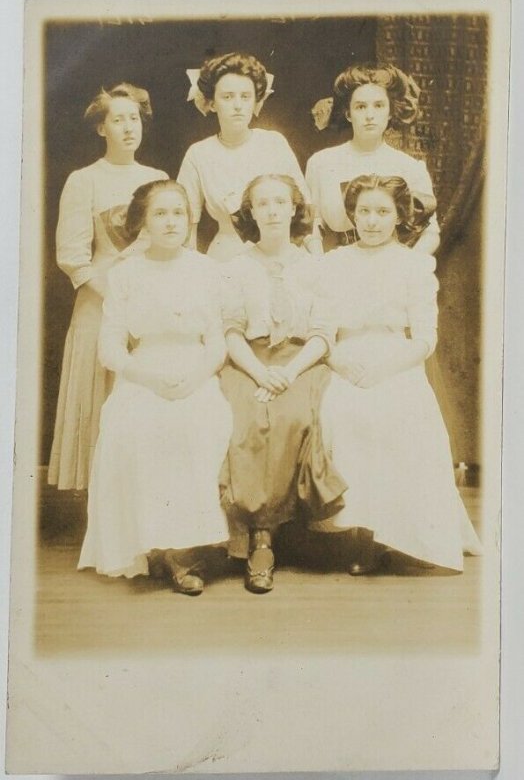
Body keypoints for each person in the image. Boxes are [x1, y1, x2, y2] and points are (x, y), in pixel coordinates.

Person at [315, 174, 482, 573]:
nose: (372, 221)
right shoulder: (333, 263)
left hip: (396, 359)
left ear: (399, 217)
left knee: (398, 413)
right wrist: (338, 360)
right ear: (352, 214)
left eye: (382, 212)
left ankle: (394, 531)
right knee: (342, 413)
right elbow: (319, 326)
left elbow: (425, 338)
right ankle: (358, 532)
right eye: (364, 211)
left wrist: (385, 367)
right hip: (344, 356)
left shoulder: (413, 265)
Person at [78, 180, 232, 595]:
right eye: (160, 213)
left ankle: (185, 551)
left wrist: (197, 377)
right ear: (143, 221)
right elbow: (111, 347)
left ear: (189, 219)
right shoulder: (126, 274)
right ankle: (161, 547)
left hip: (195, 371)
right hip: (143, 374)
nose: (170, 222)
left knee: (201, 423)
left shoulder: (207, 270)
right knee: (138, 424)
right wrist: (147, 378)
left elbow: (216, 342)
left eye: (178, 213)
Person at [219, 174, 347, 593]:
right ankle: (259, 537)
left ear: (294, 209)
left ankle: (282, 531)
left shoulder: (316, 266)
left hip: (302, 360)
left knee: (293, 414)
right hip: (251, 360)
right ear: (250, 212)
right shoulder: (235, 267)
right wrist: (260, 373)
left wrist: (287, 374)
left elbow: (323, 334)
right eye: (262, 203)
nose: (272, 210)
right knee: (247, 416)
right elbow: (232, 331)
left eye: (280, 202)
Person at [48, 83, 168, 490]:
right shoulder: (84, 181)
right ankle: (100, 526)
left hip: (150, 306)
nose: (128, 127)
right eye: (118, 120)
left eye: (134, 118)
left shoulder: (156, 179)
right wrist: (116, 297)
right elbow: (73, 257)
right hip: (99, 306)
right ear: (102, 129)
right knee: (100, 407)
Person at [177, 52, 322, 262]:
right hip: (226, 256)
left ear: (255, 100)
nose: (237, 105)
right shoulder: (198, 154)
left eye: (245, 96)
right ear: (212, 102)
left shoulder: (274, 143)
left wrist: (318, 259)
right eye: (227, 97)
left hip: (280, 253)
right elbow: (187, 225)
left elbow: (305, 210)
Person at [306, 63, 439, 254]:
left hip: (391, 270)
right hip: (336, 268)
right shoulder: (321, 163)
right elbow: (311, 225)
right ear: (348, 114)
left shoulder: (410, 167)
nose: (369, 115)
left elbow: (431, 232)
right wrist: (321, 266)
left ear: (391, 112)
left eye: (378, 106)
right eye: (360, 107)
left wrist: (406, 269)